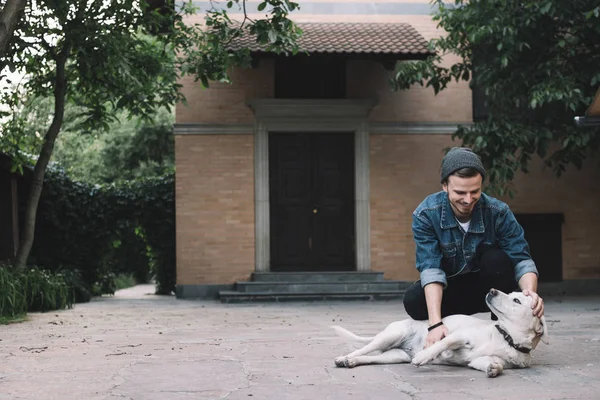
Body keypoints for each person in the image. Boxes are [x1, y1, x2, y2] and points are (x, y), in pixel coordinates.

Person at [403, 147, 544, 349]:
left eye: (474, 191)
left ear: (481, 185)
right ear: (444, 186)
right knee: (413, 301)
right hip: (452, 290)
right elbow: (430, 268)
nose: (468, 200)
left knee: (496, 259)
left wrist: (530, 296)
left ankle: (500, 329)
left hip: (491, 291)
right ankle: (453, 323)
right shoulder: (426, 214)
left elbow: (521, 259)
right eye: (460, 192)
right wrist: (435, 324)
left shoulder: (498, 212)